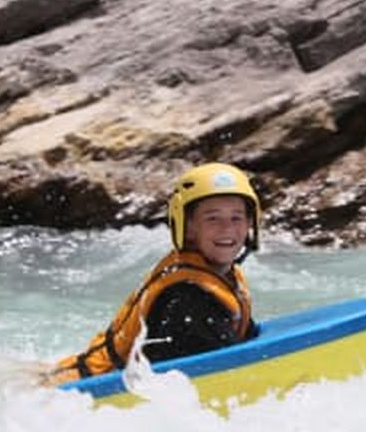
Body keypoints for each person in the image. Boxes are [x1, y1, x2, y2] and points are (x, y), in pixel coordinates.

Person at [43, 162, 260, 386]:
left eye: (237, 218)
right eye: (212, 218)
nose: (227, 228)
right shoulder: (188, 297)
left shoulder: (223, 277)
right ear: (188, 227)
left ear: (250, 223)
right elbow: (219, 376)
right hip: (86, 388)